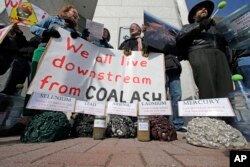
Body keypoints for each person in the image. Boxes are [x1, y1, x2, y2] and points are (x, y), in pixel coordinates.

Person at [0, 5, 81, 137]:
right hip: (44, 51)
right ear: (65, 12)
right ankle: (25, 120)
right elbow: (33, 27)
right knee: (35, 85)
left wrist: (77, 37)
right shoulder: (52, 19)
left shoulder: (74, 30)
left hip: (61, 58)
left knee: (53, 87)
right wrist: (45, 32)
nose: (74, 16)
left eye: (76, 15)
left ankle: (45, 116)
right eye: (73, 13)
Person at [176, 0, 233, 99]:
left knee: (226, 87)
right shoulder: (188, 26)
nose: (204, 9)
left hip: (220, 55)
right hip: (200, 52)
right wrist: (200, 26)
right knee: (207, 84)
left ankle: (228, 113)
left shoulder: (216, 28)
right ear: (194, 16)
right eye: (200, 9)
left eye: (205, 9)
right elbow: (180, 37)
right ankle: (210, 112)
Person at [0, 24, 32, 95]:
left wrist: (19, 32)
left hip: (4, 65)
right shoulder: (4, 34)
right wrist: (9, 27)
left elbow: (24, 44)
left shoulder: (15, 38)